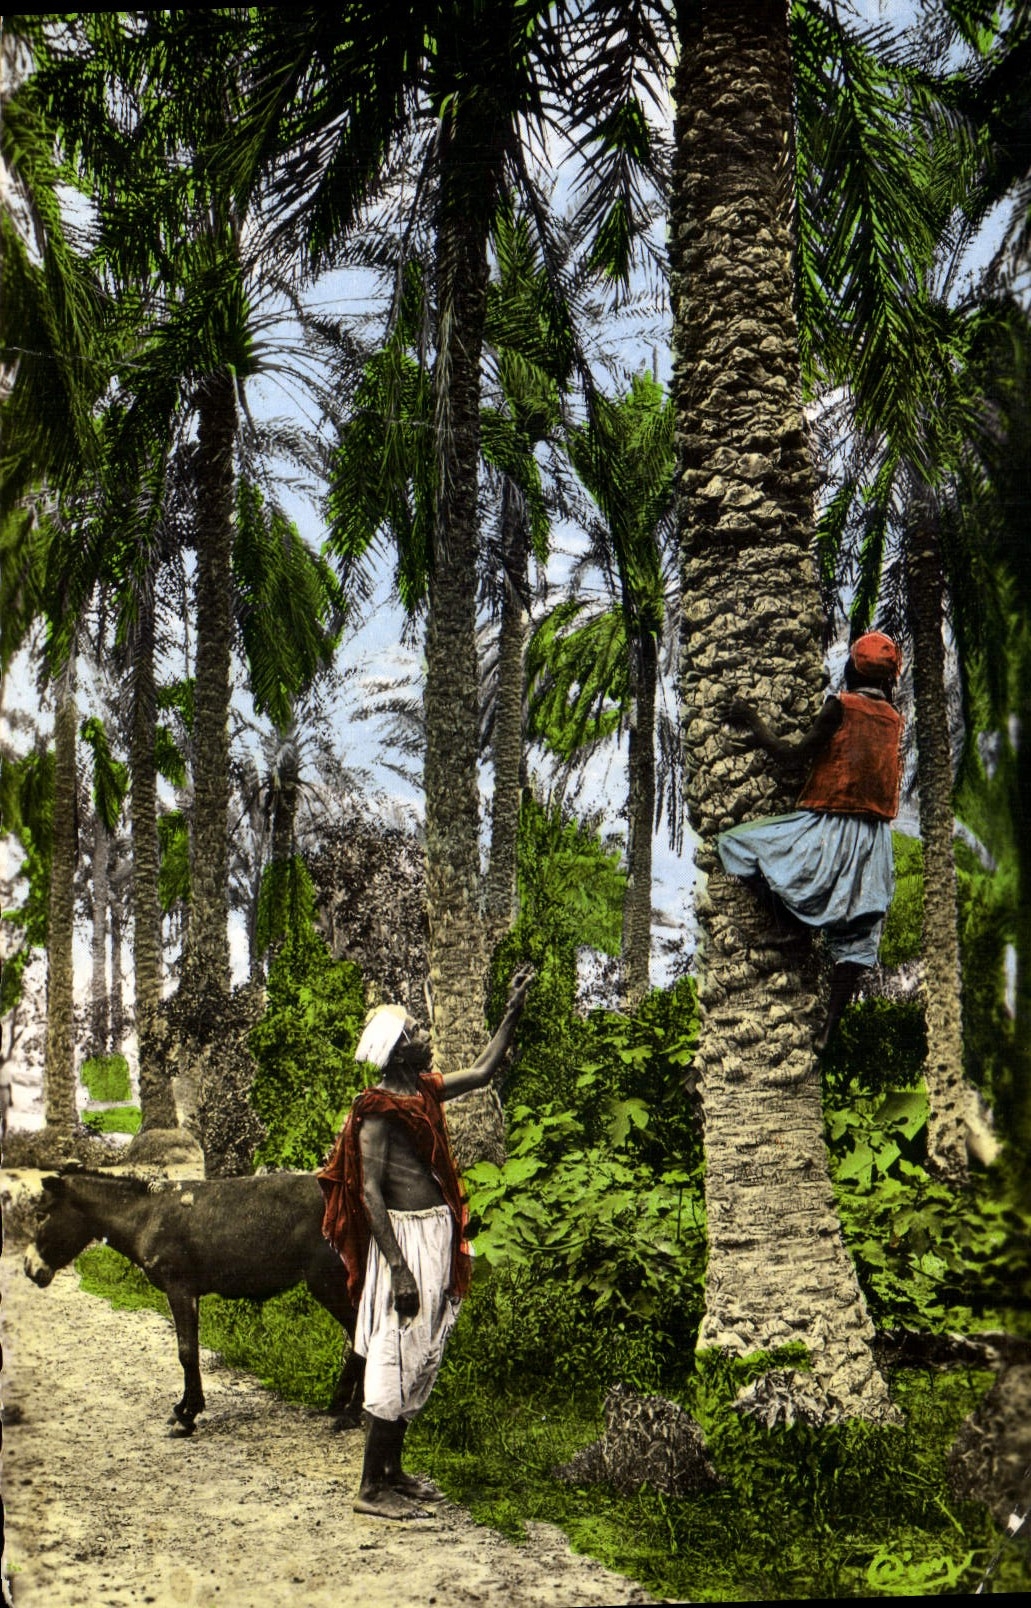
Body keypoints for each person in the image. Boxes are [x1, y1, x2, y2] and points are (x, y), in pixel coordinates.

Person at [317, 963, 535, 1520]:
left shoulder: (423, 1092)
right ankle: (370, 1486)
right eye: (415, 1031)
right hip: (404, 1247)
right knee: (394, 1354)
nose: (425, 1034)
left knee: (420, 1354)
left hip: (435, 1236)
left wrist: (512, 1009)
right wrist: (400, 1269)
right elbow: (369, 1195)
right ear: (396, 1052)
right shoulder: (377, 1114)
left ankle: (393, 1472)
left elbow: (485, 1071)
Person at [718, 630, 904, 1052]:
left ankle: (789, 922)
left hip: (830, 828)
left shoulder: (841, 706)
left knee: (736, 844)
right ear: (890, 679)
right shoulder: (894, 719)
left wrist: (754, 721)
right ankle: (827, 1031)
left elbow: (792, 756)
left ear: (852, 669)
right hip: (874, 842)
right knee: (858, 941)